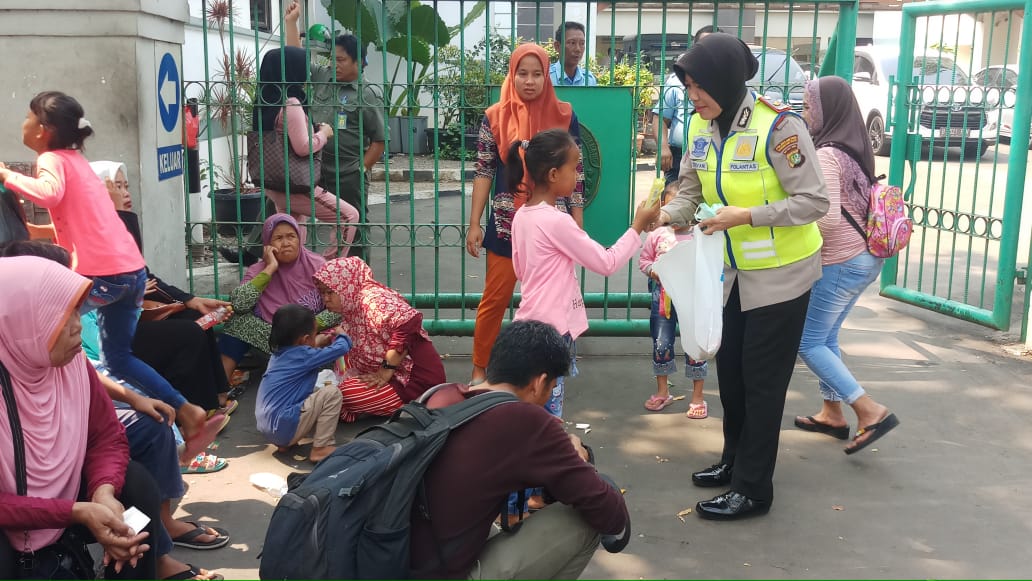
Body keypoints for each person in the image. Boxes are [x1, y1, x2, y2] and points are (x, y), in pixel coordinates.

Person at [658, 33, 829, 520]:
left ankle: (754, 489)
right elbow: (690, 193)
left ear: (725, 82)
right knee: (730, 376)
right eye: (688, 87)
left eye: (699, 86)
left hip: (782, 277)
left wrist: (747, 216)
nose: (692, 96)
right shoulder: (700, 127)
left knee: (761, 383)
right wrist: (664, 217)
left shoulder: (780, 129)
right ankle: (734, 462)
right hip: (733, 275)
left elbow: (814, 201)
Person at [0, 91, 221, 457]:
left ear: (43, 129)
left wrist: (7, 174)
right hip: (129, 272)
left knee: (43, 331)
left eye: (27, 115)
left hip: (100, 274)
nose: (21, 123)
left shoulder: (52, 158)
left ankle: (53, 419)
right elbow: (71, 220)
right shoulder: (77, 161)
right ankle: (188, 410)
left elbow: (49, 196)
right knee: (118, 357)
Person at [2, 240, 231, 564]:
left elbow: (106, 435)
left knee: (137, 494)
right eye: (61, 316)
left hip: (74, 501)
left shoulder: (71, 366)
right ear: (20, 316)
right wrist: (80, 511)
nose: (77, 328)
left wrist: (103, 491)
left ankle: (143, 556)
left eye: (76, 314)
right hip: (21, 524)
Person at [408, 320, 630, 579]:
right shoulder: (525, 422)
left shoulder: (441, 396)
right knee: (586, 520)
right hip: (445, 573)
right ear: (539, 382)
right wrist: (577, 459)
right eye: (553, 386)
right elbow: (610, 516)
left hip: (399, 559)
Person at [510, 128, 659, 418]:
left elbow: (520, 268)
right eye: (574, 167)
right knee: (549, 413)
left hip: (527, 323)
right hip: (553, 330)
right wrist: (637, 225)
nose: (578, 175)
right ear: (554, 175)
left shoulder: (522, 216)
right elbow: (606, 263)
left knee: (531, 409)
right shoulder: (556, 222)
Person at [465, 42, 586, 384]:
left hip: (552, 229)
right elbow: (484, 170)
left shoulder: (565, 115)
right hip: (507, 226)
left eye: (537, 74)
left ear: (547, 76)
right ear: (512, 75)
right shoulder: (494, 115)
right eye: (522, 73)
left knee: (552, 304)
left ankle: (546, 374)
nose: (529, 81)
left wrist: (577, 218)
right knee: (495, 299)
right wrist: (474, 223)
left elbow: (575, 172)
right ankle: (480, 367)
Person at [794, 76, 900, 454]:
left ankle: (868, 410)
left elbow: (825, 220)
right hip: (864, 259)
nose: (805, 116)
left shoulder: (825, 154)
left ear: (826, 111)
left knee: (808, 342)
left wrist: (784, 218)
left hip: (841, 262)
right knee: (827, 338)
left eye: (808, 108)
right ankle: (832, 414)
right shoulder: (853, 147)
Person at [91, 161, 236, 414]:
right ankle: (193, 410)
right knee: (188, 333)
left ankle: (217, 395)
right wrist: (131, 289)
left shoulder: (116, 226)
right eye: (116, 187)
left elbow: (144, 275)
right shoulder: (91, 232)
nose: (125, 194)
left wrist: (190, 299)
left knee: (196, 316)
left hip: (132, 318)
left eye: (126, 186)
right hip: (106, 335)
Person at [285, 1, 387, 262]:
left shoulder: (368, 95)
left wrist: (361, 169)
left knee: (355, 229)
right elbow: (296, 60)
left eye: (341, 60)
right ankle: (258, 255)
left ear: (358, 62)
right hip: (314, 165)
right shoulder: (323, 77)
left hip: (348, 173)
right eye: (334, 59)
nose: (336, 65)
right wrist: (291, 23)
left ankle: (356, 282)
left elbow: (379, 141)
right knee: (284, 207)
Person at [252, 46, 359, 258]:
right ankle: (328, 273)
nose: (308, 73)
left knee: (294, 234)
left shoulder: (266, 102)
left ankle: (293, 279)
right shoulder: (291, 104)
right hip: (295, 183)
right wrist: (324, 134)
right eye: (303, 67)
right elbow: (303, 147)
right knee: (348, 216)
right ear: (292, 70)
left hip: (274, 182)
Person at [313, 257, 446, 421]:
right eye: (322, 293)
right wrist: (325, 338)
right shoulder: (353, 304)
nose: (325, 299)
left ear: (345, 286)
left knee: (341, 394)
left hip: (413, 380)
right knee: (341, 349)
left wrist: (386, 370)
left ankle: (416, 404)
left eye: (330, 292)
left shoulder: (371, 299)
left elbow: (409, 321)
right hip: (390, 374)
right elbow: (351, 332)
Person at [219, 214, 341, 380]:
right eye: (278, 238)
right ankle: (220, 390)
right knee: (237, 320)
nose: (286, 243)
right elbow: (239, 304)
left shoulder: (318, 266)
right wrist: (270, 269)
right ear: (268, 244)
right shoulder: (258, 271)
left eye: (291, 236)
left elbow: (340, 308)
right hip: (276, 342)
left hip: (311, 340)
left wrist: (307, 328)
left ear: (299, 238)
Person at [638, 183, 708, 416]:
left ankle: (698, 397)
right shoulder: (658, 235)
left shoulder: (700, 236)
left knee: (696, 347)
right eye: (669, 209)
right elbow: (644, 261)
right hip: (663, 300)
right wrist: (654, 271)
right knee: (661, 343)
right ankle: (662, 392)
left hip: (693, 299)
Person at [256, 304, 351, 463]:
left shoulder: (278, 354)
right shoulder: (304, 356)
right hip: (283, 424)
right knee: (331, 393)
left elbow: (306, 352)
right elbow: (342, 348)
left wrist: (318, 342)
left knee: (312, 392)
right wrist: (342, 335)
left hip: (269, 426)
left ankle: (285, 443)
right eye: (314, 335)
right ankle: (321, 448)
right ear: (305, 339)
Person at [655, 26, 721, 184]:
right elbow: (660, 117)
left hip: (716, 154)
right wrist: (663, 147)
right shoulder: (676, 81)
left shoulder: (726, 83)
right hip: (680, 155)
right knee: (675, 199)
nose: (693, 95)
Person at [550, 21, 597, 87]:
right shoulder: (546, 77)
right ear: (557, 46)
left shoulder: (589, 79)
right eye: (572, 43)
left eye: (582, 43)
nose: (578, 49)